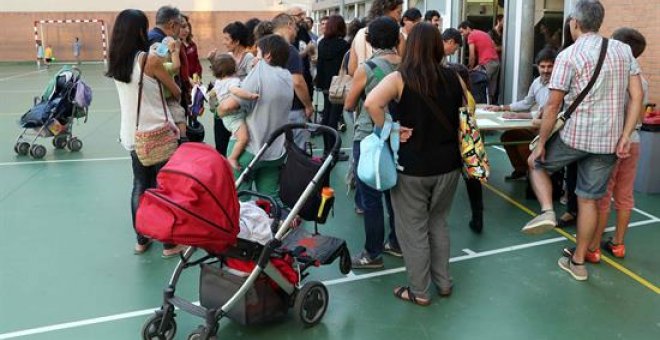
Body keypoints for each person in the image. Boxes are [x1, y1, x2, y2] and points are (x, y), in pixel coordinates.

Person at [522, 0, 643, 282]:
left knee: (535, 163)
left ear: (574, 22)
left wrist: (540, 143)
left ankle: (548, 211)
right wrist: (626, 135)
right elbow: (637, 96)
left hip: (575, 136)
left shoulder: (568, 55)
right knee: (589, 200)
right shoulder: (623, 50)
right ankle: (578, 262)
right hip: (610, 141)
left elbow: (552, 106)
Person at [365, 22, 464, 305]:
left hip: (413, 167)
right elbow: (466, 112)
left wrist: (391, 128)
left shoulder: (400, 78)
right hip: (449, 165)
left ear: (410, 46)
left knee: (413, 229)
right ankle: (444, 283)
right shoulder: (453, 78)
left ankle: (419, 291)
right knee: (439, 223)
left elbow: (372, 103)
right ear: (437, 47)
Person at [106, 9, 186, 257]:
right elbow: (175, 90)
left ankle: (141, 240)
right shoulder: (148, 59)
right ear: (140, 31)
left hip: (131, 133)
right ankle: (170, 244)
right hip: (157, 131)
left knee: (140, 185)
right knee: (165, 188)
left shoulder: (116, 60)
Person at [579, 27, 648, 263]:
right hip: (635, 141)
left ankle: (593, 248)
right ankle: (618, 244)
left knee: (601, 196)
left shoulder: (613, 77)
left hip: (611, 142)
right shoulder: (643, 81)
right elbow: (639, 116)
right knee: (625, 196)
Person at [344, 17, 402, 269]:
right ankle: (397, 243)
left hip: (370, 135)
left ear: (368, 40)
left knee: (370, 197)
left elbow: (348, 104)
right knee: (396, 194)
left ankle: (372, 253)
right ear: (398, 39)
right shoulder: (409, 66)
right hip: (401, 135)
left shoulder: (366, 68)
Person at [219, 34, 294, 197]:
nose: (254, 56)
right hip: (275, 150)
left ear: (267, 55)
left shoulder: (260, 70)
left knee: (239, 199)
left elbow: (231, 104)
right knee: (269, 199)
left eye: (258, 52)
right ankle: (274, 221)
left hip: (249, 149)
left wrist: (220, 109)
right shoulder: (287, 76)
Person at [485, 48, 558, 181]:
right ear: (538, 67)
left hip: (551, 131)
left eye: (550, 66)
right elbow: (527, 103)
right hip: (537, 127)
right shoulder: (537, 82)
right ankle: (521, 171)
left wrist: (518, 116)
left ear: (556, 67)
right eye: (543, 66)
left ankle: (535, 176)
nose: (546, 70)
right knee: (508, 136)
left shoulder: (558, 85)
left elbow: (549, 112)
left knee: (525, 144)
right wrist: (501, 107)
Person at [209, 54, 259, 170]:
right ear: (234, 69)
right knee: (243, 138)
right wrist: (250, 95)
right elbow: (236, 91)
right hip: (234, 117)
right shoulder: (232, 81)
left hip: (228, 117)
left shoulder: (218, 82)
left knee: (238, 136)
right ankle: (232, 157)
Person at [211, 21, 255, 156]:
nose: (224, 42)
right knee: (221, 143)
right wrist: (213, 62)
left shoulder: (249, 58)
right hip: (223, 107)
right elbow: (219, 79)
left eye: (227, 39)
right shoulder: (227, 58)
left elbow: (250, 83)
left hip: (238, 109)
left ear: (236, 41)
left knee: (240, 140)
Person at [272, 13, 314, 149]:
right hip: (293, 108)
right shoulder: (290, 50)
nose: (297, 31)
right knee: (298, 152)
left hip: (272, 109)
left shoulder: (265, 48)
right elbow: (297, 82)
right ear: (289, 25)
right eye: (295, 27)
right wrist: (308, 105)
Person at [148, 6, 190, 140]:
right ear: (172, 25)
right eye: (180, 26)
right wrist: (177, 91)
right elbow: (165, 70)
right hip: (164, 101)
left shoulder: (154, 36)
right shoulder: (162, 42)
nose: (182, 30)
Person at [315, 15, 350, 159]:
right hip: (339, 85)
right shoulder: (344, 45)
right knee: (334, 118)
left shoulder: (322, 43)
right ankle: (333, 152)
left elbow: (320, 65)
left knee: (327, 116)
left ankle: (327, 150)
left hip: (325, 85)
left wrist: (320, 83)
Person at [347, 0, 405, 76]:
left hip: (363, 85)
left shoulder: (360, 34)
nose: (400, 18)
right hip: (390, 86)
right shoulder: (398, 35)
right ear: (386, 11)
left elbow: (351, 70)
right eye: (399, 12)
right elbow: (404, 67)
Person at [458, 21, 500, 103]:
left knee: (482, 87)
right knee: (492, 89)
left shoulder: (471, 36)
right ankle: (492, 106)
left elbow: (472, 55)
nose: (462, 35)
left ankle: (484, 107)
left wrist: (469, 69)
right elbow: (493, 46)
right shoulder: (483, 33)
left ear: (467, 28)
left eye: (462, 32)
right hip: (495, 62)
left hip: (487, 63)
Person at [180, 15, 202, 82]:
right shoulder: (177, 47)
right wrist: (189, 81)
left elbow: (196, 63)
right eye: (183, 27)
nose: (186, 31)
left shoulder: (192, 44)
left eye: (188, 28)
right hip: (185, 82)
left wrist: (196, 79)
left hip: (195, 80)